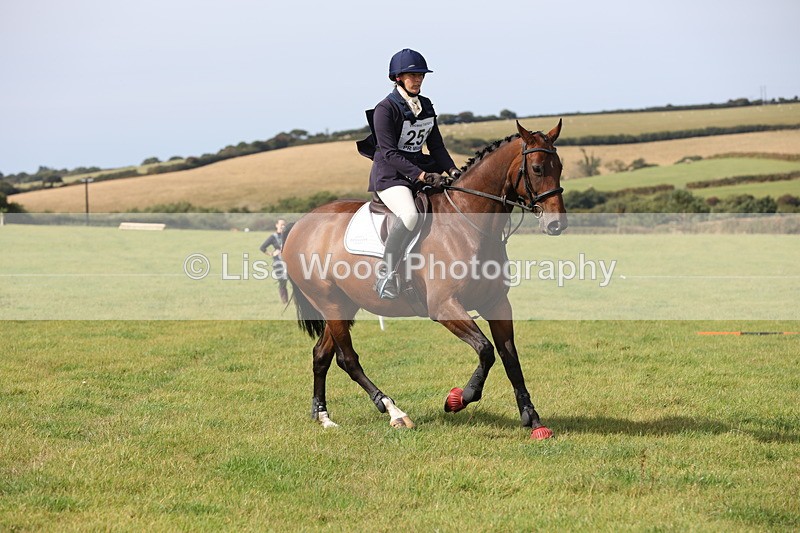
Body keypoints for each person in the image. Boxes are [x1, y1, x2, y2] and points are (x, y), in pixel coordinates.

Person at [358, 48, 462, 299]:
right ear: (398, 77)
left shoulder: (425, 105)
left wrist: (452, 169)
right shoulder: (385, 109)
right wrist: (422, 176)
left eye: (421, 75)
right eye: (411, 75)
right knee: (410, 215)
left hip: (418, 168)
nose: (417, 80)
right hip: (391, 175)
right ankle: (386, 272)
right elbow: (390, 153)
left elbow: (435, 145)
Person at [259, 218, 288, 304]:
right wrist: (271, 254)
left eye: (284, 224)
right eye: (281, 224)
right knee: (282, 282)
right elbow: (262, 248)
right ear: (276, 225)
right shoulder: (273, 237)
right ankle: (285, 301)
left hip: (288, 262)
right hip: (278, 262)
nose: (283, 226)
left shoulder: (287, 235)